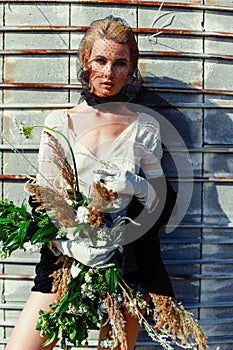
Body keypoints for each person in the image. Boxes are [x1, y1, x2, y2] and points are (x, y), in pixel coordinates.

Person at [6, 16, 178, 350]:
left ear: (131, 69)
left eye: (120, 63)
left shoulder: (145, 127)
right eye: (100, 60)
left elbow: (162, 202)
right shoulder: (59, 122)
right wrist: (68, 231)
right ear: (86, 61)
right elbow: (42, 197)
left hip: (124, 263)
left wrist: (139, 187)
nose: (109, 73)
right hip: (66, 261)